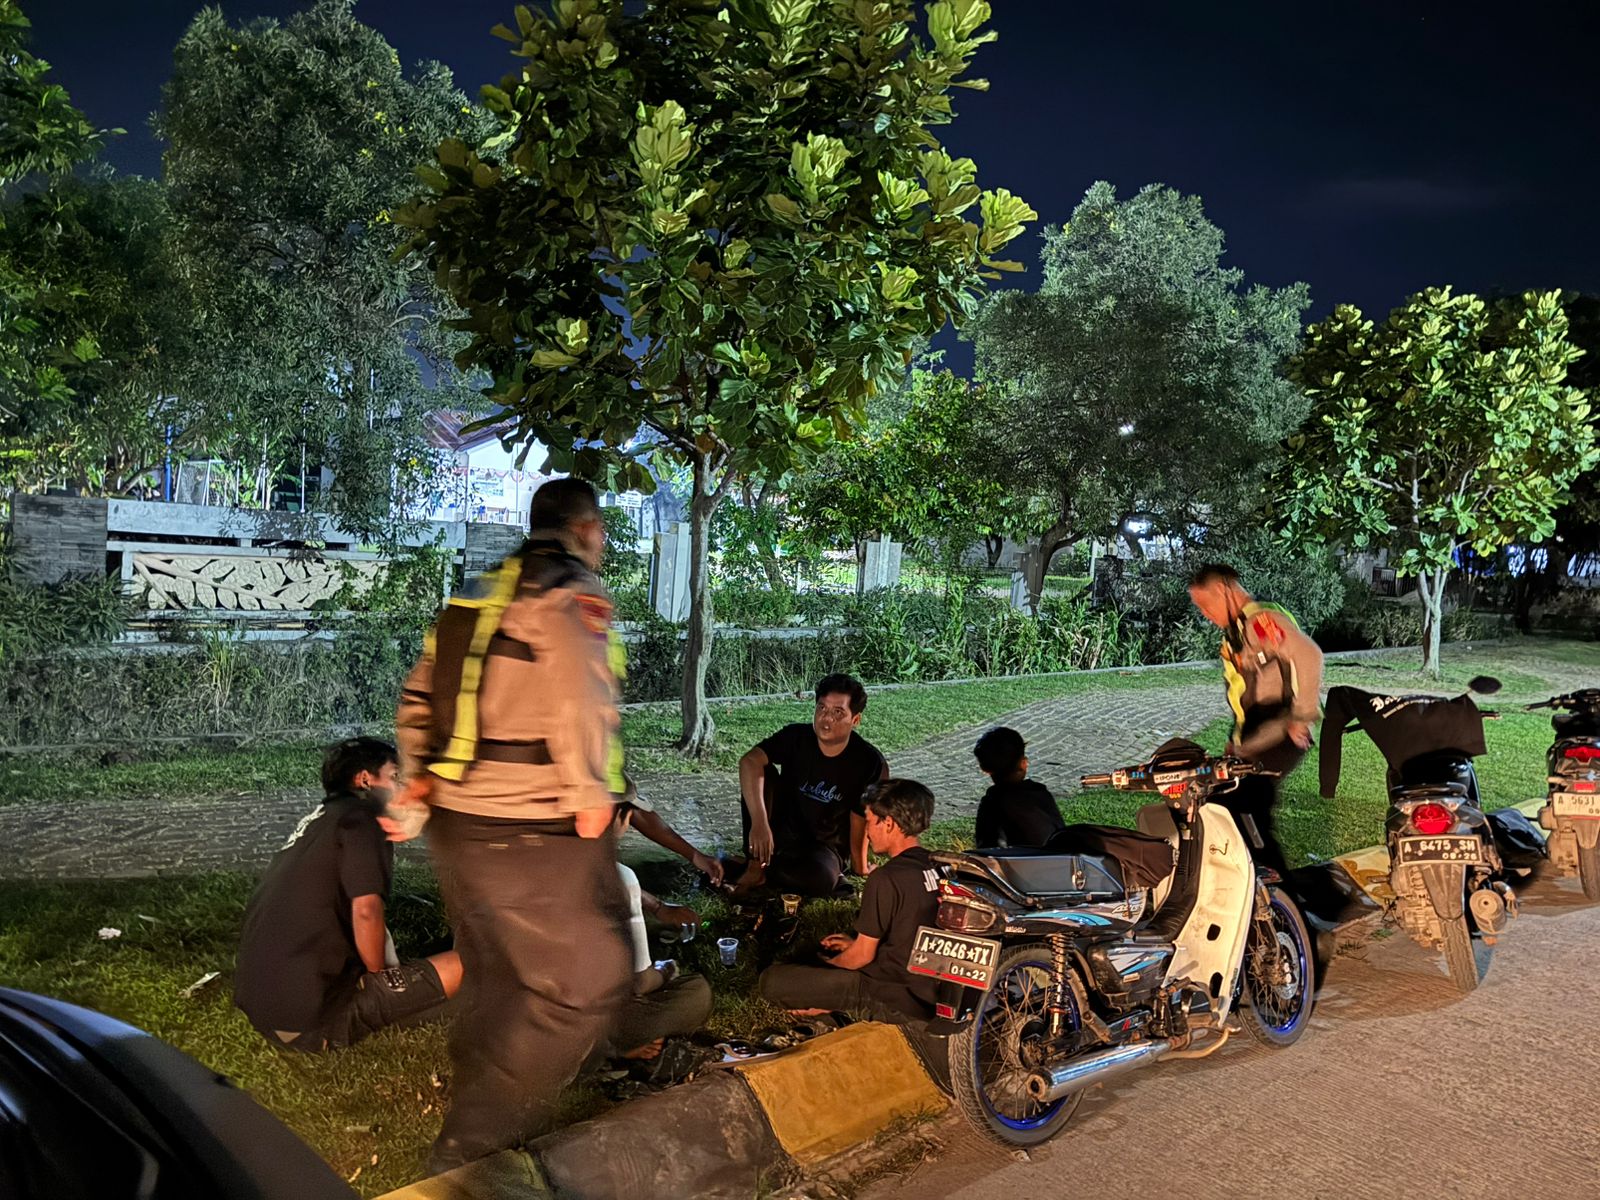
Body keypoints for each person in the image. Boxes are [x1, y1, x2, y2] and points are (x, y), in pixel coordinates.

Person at [388, 478, 633, 1175]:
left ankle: (489, 1080)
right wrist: (589, 792)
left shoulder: (479, 591)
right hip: (529, 820)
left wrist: (418, 780)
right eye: (601, 530)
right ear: (586, 529)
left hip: (461, 822)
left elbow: (418, 694)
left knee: (499, 969)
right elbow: (579, 692)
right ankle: (469, 1150)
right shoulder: (569, 591)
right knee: (586, 981)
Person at [234, 737, 462, 1053]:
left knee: (441, 959)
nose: (401, 787)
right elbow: (366, 911)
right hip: (312, 1021)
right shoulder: (363, 819)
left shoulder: (321, 823)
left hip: (269, 1009)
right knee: (477, 963)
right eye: (395, 776)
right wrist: (381, 980)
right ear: (365, 780)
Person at [757, 779, 940, 1021]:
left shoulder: (885, 878)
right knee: (825, 953)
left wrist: (824, 989)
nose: (867, 832)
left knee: (771, 981)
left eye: (869, 821)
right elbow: (907, 932)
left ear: (888, 824)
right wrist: (855, 943)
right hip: (926, 988)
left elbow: (861, 957)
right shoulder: (939, 865)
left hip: (892, 997)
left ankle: (843, 1008)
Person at [1186, 562, 1324, 877]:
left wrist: (1302, 716)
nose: (1205, 615)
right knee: (1221, 802)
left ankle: (1280, 889)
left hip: (1281, 729)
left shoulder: (1260, 622)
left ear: (1222, 589)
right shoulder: (1237, 631)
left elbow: (1309, 655)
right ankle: (1250, 883)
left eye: (1206, 605)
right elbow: (1244, 693)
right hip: (1256, 733)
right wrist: (1236, 743)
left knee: (1247, 804)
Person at [737, 673, 889, 897]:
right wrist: (759, 823)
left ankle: (764, 869)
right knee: (761, 772)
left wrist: (860, 866)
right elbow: (749, 761)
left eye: (838, 712)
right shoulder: (796, 737)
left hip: (824, 847)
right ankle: (755, 865)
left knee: (821, 879)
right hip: (780, 831)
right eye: (822, 708)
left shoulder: (869, 762)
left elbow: (860, 817)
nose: (826, 718)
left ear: (855, 720)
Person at [608, 859, 713, 1061]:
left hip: (544, 1016)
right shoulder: (620, 876)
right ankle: (613, 1050)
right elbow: (640, 983)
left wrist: (657, 907)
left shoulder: (545, 861)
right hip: (585, 1021)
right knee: (697, 991)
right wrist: (665, 971)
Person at [972, 726, 1066, 848]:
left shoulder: (992, 803)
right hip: (1058, 857)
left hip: (1019, 860)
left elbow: (989, 849)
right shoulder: (1040, 793)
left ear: (984, 769)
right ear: (1024, 763)